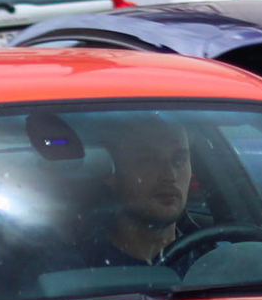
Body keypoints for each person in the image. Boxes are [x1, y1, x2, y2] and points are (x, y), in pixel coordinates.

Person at [73, 114, 197, 267]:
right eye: (150, 160)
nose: (169, 176)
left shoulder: (216, 262)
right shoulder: (72, 270)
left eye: (179, 160)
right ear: (111, 171)